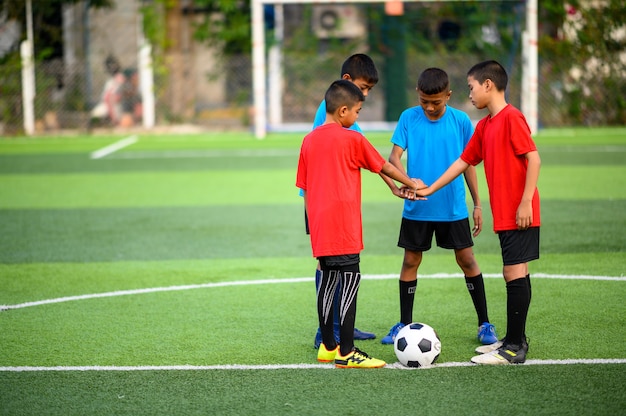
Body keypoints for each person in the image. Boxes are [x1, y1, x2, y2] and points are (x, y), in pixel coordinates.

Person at [416, 60, 541, 365]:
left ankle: (513, 348)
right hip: (505, 214)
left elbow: (534, 159)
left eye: (471, 87)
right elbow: (463, 162)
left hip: (519, 212)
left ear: (488, 85)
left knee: (514, 272)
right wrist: (430, 188)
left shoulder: (512, 118)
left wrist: (525, 201)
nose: (469, 94)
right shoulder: (484, 126)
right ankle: (514, 340)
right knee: (514, 271)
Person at [296, 79, 424, 368]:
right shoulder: (352, 139)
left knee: (327, 282)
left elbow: (303, 186)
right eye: (357, 112)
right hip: (344, 225)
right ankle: (347, 351)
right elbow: (384, 165)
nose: (357, 118)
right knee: (350, 281)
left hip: (319, 226)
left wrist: (312, 225)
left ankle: (328, 347)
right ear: (343, 111)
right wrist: (411, 182)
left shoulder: (308, 140)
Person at [381, 67, 498, 347]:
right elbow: (393, 156)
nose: (430, 108)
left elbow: (468, 164)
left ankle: (484, 323)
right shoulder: (408, 118)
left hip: (452, 207)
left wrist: (478, 204)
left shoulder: (460, 121)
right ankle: (404, 324)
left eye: (436, 102)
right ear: (418, 96)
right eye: (424, 102)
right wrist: (409, 182)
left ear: (448, 95)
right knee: (411, 261)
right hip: (417, 206)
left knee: (467, 260)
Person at [308, 53, 402, 349]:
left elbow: (367, 157)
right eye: (363, 87)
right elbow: (371, 158)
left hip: (322, 200)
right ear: (346, 84)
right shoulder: (335, 115)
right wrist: (401, 183)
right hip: (323, 200)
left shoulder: (343, 114)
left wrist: (392, 186)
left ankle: (335, 327)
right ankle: (329, 332)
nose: (366, 95)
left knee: (331, 263)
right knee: (330, 265)